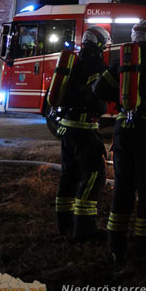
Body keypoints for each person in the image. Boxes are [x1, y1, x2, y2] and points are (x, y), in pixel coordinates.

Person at [94, 19, 146, 267]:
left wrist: (123, 96)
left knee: (122, 186)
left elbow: (99, 90)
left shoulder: (121, 61)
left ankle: (116, 246)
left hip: (123, 130)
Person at [54, 26, 110, 241]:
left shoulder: (74, 61)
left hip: (67, 128)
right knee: (94, 176)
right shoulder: (96, 64)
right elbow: (96, 96)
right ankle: (85, 229)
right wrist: (102, 107)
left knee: (69, 176)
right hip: (85, 130)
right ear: (100, 43)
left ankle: (64, 225)